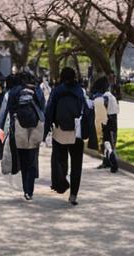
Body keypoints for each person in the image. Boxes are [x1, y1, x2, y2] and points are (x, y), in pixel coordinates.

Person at [44, 68, 91, 203]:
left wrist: (47, 129)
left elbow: (49, 110)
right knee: (77, 164)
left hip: (60, 132)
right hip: (77, 132)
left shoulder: (57, 90)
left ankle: (62, 181)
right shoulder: (80, 91)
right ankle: (73, 195)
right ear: (75, 77)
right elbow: (86, 111)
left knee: (59, 159)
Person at [0, 73, 46, 200]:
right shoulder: (36, 89)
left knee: (23, 159)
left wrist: (0, 129)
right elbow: (42, 106)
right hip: (35, 127)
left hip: (19, 127)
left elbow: (8, 110)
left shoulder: (14, 91)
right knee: (32, 158)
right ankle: (30, 189)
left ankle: (26, 190)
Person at [90, 76, 118, 173]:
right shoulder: (112, 96)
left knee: (107, 143)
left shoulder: (105, 97)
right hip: (113, 120)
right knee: (109, 142)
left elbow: (101, 110)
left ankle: (113, 162)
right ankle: (107, 162)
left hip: (107, 121)